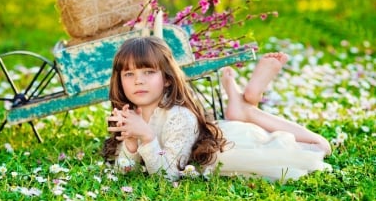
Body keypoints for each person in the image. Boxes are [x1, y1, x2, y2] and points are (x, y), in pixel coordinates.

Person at [102, 36, 331, 181]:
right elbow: (125, 172)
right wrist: (131, 145)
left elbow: (167, 174)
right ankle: (242, 108)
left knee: (320, 146)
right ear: (119, 80)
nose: (138, 81)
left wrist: (147, 136)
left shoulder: (179, 116)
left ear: (168, 79)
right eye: (129, 74)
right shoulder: (130, 113)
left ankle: (248, 109)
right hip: (209, 137)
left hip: (225, 147)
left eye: (148, 72)